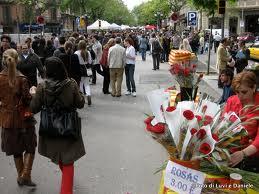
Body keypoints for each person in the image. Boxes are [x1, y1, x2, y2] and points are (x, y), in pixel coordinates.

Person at [30, 56, 85, 194]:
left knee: (61, 157)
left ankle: (67, 183)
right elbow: (80, 103)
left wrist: (33, 94)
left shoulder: (42, 86)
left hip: (50, 127)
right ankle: (66, 189)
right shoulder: (71, 83)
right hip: (69, 126)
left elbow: (33, 108)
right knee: (68, 159)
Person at [0, 49, 37, 186]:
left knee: (16, 149)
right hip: (24, 119)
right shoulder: (22, 79)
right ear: (17, 60)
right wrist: (33, 93)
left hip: (7, 120)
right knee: (30, 146)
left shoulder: (0, 77)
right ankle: (25, 175)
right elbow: (28, 100)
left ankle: (22, 176)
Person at [224, 71, 259, 172]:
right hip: (230, 155)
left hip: (253, 158)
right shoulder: (232, 101)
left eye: (244, 92)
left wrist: (243, 153)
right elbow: (223, 127)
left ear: (253, 88)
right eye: (237, 92)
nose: (240, 97)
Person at [74, 40, 92, 105]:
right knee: (87, 84)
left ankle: (82, 98)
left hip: (79, 69)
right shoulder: (88, 52)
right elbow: (90, 62)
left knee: (80, 84)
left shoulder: (76, 52)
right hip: (86, 69)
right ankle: (88, 94)